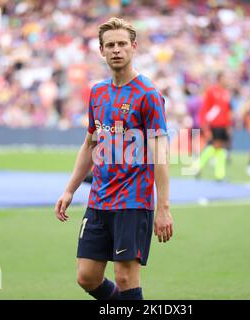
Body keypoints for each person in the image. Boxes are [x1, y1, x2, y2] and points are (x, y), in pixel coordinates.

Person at [54, 17, 173, 300]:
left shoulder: (148, 95)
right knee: (87, 276)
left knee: (125, 277)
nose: (116, 49)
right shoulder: (98, 92)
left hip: (133, 201)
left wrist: (163, 207)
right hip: (99, 199)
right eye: (110, 45)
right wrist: (70, 189)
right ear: (101, 51)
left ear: (133, 47)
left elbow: (160, 153)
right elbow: (89, 144)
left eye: (122, 44)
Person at [190, 72, 232, 181]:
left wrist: (228, 126)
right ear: (219, 79)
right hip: (214, 124)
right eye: (225, 78)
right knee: (216, 146)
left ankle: (218, 174)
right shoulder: (212, 91)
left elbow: (227, 111)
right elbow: (205, 109)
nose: (227, 81)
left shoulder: (226, 93)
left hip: (223, 125)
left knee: (219, 149)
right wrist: (205, 126)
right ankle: (198, 167)